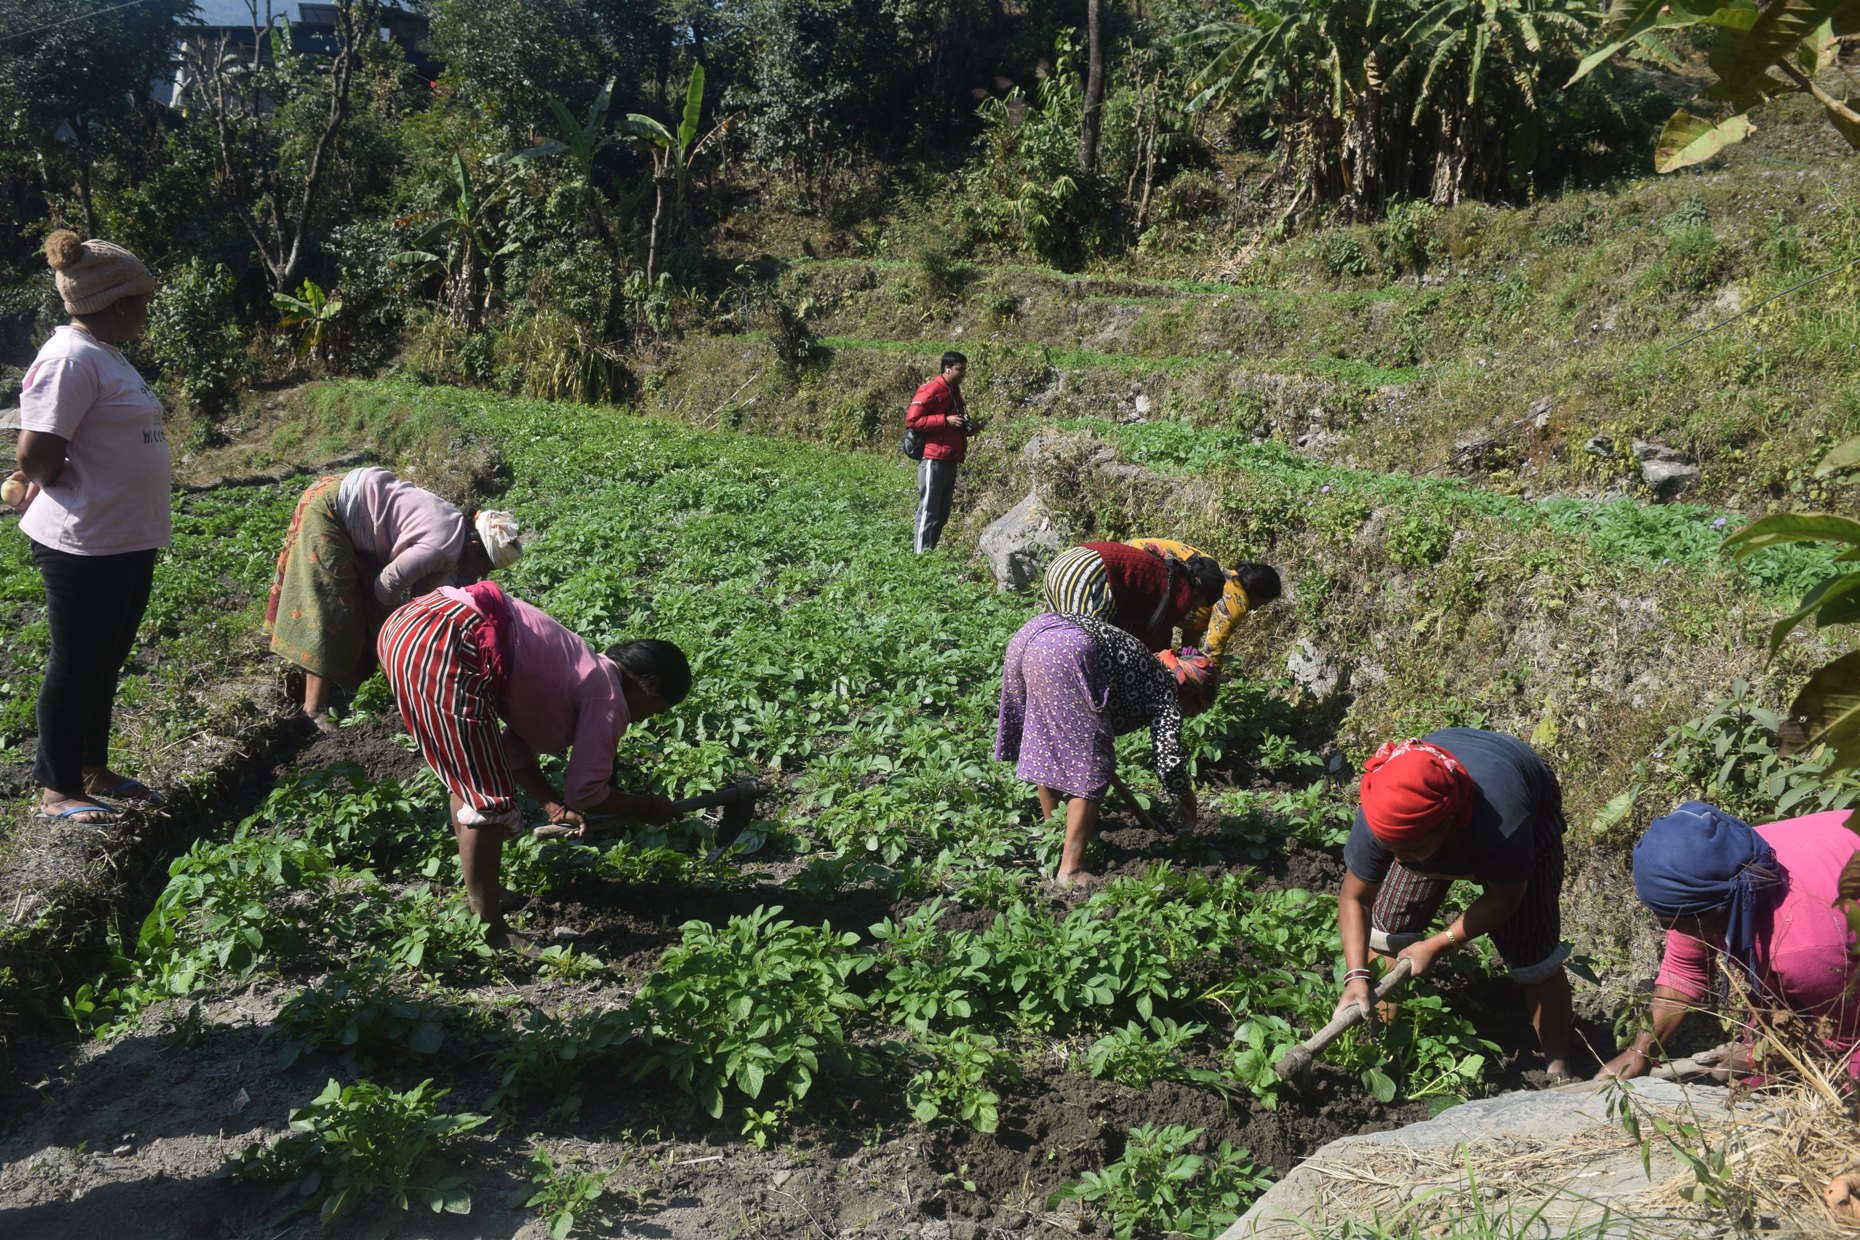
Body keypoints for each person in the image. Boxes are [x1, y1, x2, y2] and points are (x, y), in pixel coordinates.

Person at [377, 580, 689, 947]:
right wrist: (646, 806)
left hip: (411, 625)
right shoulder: (607, 695)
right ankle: (491, 929)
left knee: (470, 776)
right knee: (487, 797)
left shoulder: (581, 672)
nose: (647, 718)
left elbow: (513, 750)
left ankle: (485, 895)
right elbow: (586, 792)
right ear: (649, 686)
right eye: (658, 709)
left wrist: (552, 805)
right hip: (446, 636)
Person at [4, 230, 166, 825]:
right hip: (84, 541)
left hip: (123, 535)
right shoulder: (69, 358)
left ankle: (92, 769)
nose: (146, 311)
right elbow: (35, 452)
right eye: (142, 301)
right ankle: (57, 789)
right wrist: (45, 478)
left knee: (106, 658)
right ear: (117, 304)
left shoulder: (104, 352)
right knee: (77, 663)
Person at [1333, 729, 1573, 1079]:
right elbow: (1355, 898)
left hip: (1518, 787)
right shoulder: (1383, 812)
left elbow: (1506, 896)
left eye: (1410, 848)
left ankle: (1558, 1066)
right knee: (1386, 934)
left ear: (1446, 826)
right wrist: (1356, 977)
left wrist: (1438, 944)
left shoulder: (1504, 824)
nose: (1398, 860)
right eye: (1390, 848)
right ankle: (1385, 1051)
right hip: (1438, 813)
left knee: (1532, 954)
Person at [1598, 803, 1860, 1083]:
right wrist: (1640, 1052)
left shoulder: (1802, 949)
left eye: (1674, 920)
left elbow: (1847, 1037)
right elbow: (1683, 972)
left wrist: (1763, 1056)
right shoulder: (1709, 873)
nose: (1668, 928)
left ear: (1720, 910)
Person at [265, 465, 520, 731]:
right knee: (333, 607)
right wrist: (395, 638)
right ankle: (313, 709)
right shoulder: (439, 548)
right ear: (474, 548)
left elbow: (427, 595)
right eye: (485, 568)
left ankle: (363, 673)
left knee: (375, 609)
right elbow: (385, 587)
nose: (481, 577)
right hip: (330, 509)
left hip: (354, 501)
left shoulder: (457, 535)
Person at [994, 606, 1216, 888]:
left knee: (1050, 746)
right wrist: (1188, 802)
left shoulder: (1148, 664)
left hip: (1030, 634)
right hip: (1068, 651)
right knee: (1094, 764)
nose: (1188, 717)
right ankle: (1071, 870)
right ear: (1191, 694)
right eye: (1194, 711)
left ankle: (1055, 839)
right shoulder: (1167, 691)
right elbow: (1168, 762)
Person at [1041, 540, 1227, 652]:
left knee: (1060, 641)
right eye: (1200, 604)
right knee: (1084, 654)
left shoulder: (1168, 574)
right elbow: (1149, 640)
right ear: (1199, 591)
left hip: (1064, 563)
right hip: (1090, 574)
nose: (1195, 609)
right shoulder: (1183, 592)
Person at [1125, 537, 1282, 670]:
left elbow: (1192, 631)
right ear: (1257, 592)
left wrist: (1188, 660)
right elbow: (1214, 646)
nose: (1256, 608)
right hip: (1143, 565)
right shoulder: (1237, 599)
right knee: (1152, 654)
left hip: (1135, 552)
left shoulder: (1225, 580)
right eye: (1262, 603)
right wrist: (1210, 679)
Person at [906, 351, 976, 553]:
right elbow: (913, 420)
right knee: (928, 510)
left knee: (942, 513)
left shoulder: (954, 391)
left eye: (964, 369)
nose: (963, 373)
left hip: (950, 457)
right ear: (947, 369)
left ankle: (929, 553)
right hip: (933, 458)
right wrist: (945, 421)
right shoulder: (932, 389)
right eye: (959, 369)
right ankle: (920, 557)